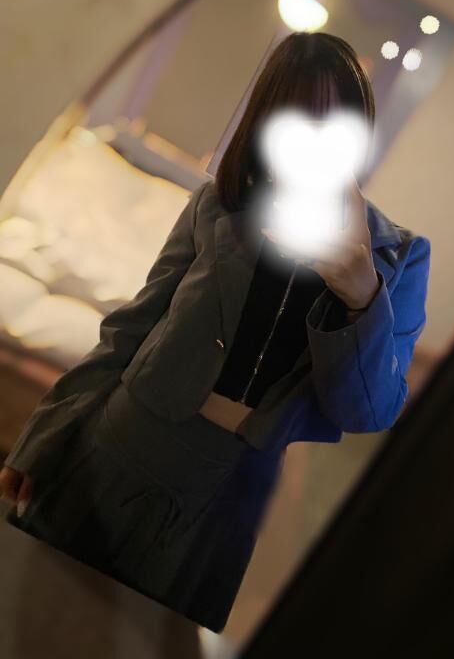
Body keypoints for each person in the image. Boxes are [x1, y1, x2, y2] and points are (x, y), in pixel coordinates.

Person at [0, 31, 431, 634]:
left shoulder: (397, 256)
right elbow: (129, 330)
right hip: (121, 445)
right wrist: (42, 439)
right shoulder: (218, 204)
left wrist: (362, 296)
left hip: (227, 496)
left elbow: (369, 411)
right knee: (31, 621)